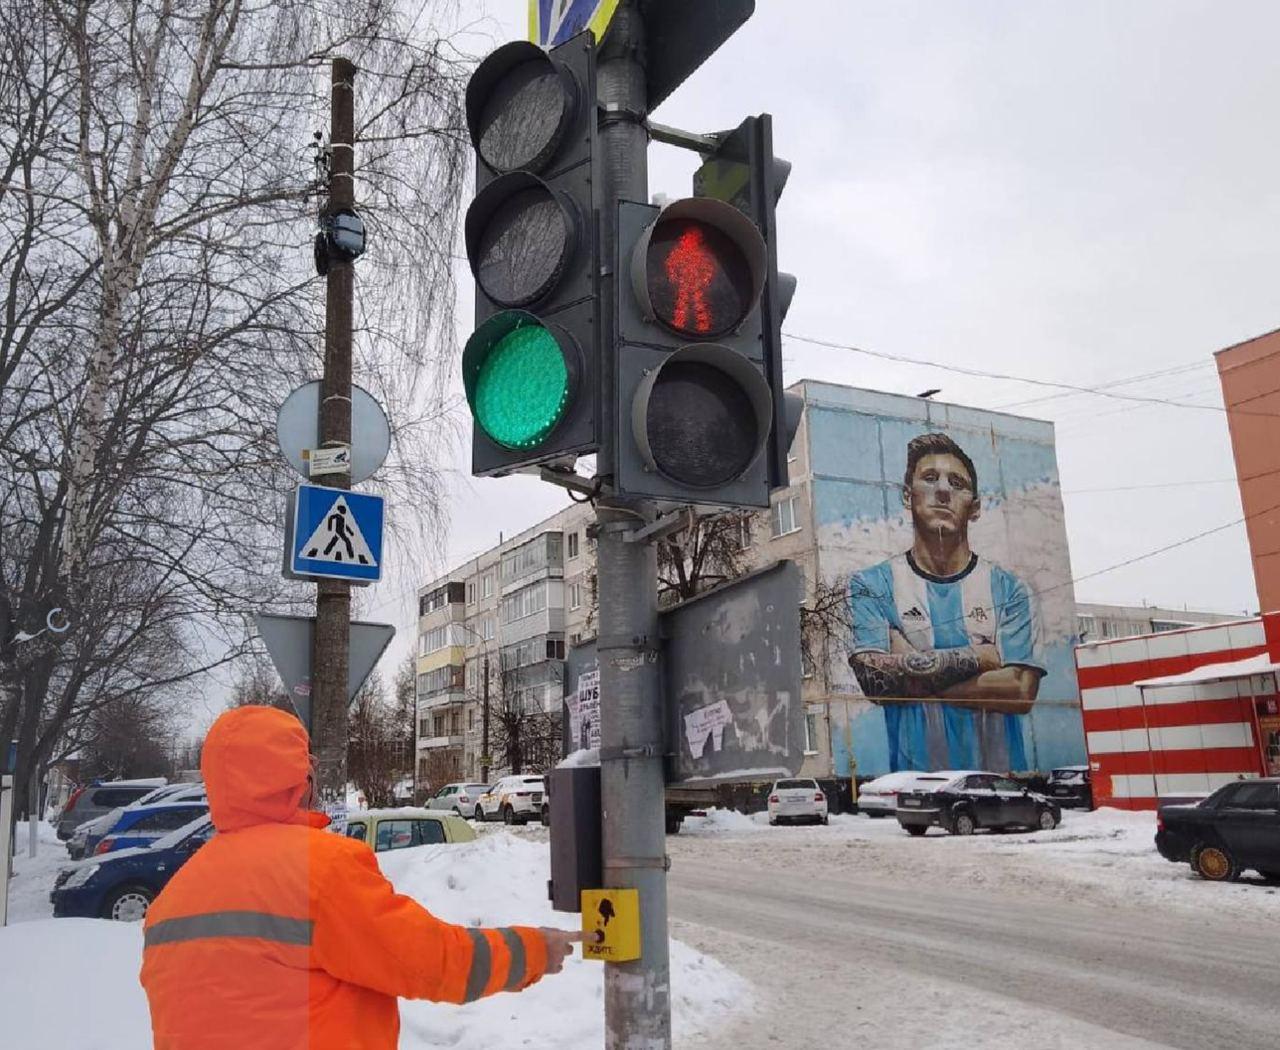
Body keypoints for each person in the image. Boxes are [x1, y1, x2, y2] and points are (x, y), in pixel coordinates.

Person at [140, 706, 579, 1049]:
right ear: (300, 778)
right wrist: (534, 949)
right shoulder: (320, 868)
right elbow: (430, 961)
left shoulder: (177, 893)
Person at [848, 432, 1046, 773]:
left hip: (1002, 785)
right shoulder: (871, 584)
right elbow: (874, 680)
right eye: (929, 479)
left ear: (976, 506)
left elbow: (1020, 692)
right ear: (907, 496)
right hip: (914, 789)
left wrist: (911, 667)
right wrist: (983, 657)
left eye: (957, 483)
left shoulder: (1011, 589)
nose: (942, 490)